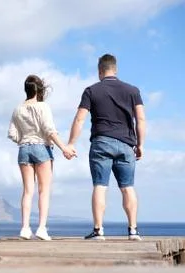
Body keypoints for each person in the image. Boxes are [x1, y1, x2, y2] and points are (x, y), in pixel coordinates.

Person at [66, 54, 146, 241]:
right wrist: (141, 144)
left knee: (100, 186)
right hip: (127, 143)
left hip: (101, 143)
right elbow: (140, 119)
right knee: (128, 188)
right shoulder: (132, 91)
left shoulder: (91, 91)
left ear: (100, 71)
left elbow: (80, 118)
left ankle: (98, 230)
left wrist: (71, 143)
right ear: (115, 69)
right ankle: (133, 230)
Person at [8, 75, 75, 240]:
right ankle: (42, 228)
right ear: (39, 90)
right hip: (42, 149)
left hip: (24, 149)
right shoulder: (43, 106)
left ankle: (24, 228)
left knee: (27, 191)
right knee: (44, 191)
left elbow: (12, 133)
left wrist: (24, 138)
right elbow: (49, 130)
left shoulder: (17, 109)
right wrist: (64, 148)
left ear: (26, 89)